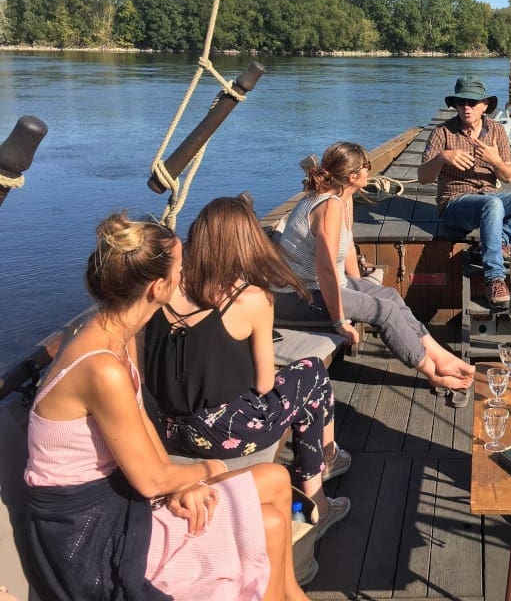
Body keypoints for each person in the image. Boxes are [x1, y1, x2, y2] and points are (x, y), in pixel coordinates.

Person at [24, 213, 309, 601]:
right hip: (93, 533)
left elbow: (142, 429)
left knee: (275, 480)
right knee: (272, 523)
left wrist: (183, 483)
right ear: (158, 287)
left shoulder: (115, 337)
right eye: (181, 266)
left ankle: (290, 593)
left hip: (120, 497)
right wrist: (207, 471)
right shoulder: (101, 367)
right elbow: (150, 480)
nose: (186, 273)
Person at [141, 196, 350, 535]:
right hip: (226, 433)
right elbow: (265, 383)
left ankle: (325, 467)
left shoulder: (162, 292)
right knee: (311, 374)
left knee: (302, 381)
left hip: (169, 427)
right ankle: (317, 496)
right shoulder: (251, 298)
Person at [273, 141, 475, 396]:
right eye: (366, 167)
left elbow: (346, 249)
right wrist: (339, 321)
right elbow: (325, 270)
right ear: (354, 176)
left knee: (388, 295)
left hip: (324, 286)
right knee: (386, 311)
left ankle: (441, 357)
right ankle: (433, 374)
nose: (370, 171)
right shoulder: (329, 206)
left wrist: (362, 292)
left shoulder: (341, 198)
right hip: (298, 297)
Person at [417, 75, 511, 310]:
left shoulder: (496, 130)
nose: (466, 107)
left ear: (485, 105)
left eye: (472, 102)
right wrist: (443, 157)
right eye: (461, 102)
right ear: (455, 105)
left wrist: (494, 160)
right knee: (493, 206)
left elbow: (507, 176)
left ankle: (498, 241)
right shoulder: (443, 133)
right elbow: (423, 177)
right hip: (455, 203)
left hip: (490, 197)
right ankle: (494, 278)